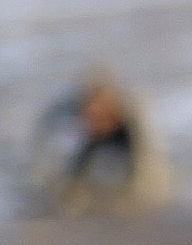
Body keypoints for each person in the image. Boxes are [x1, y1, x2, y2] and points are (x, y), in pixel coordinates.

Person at [41, 66, 175, 214]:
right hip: (90, 137)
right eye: (92, 116)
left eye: (101, 116)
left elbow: (146, 160)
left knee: (143, 178)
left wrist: (139, 199)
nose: (97, 120)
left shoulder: (131, 116)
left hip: (124, 133)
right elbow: (47, 139)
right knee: (73, 173)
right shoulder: (73, 111)